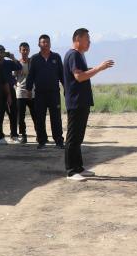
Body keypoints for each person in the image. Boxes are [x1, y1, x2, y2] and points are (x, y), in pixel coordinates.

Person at [62, 28, 114, 181]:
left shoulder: (79, 55)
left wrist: (96, 69)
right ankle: (71, 171)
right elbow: (79, 77)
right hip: (76, 101)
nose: (89, 42)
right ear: (78, 39)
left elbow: (81, 73)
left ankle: (78, 167)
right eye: (87, 39)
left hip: (82, 101)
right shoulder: (73, 55)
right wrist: (99, 68)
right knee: (73, 137)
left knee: (78, 137)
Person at [26, 35, 65, 150]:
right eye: (43, 42)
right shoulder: (34, 58)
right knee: (40, 118)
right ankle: (41, 141)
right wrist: (28, 90)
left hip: (54, 93)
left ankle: (59, 141)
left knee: (56, 118)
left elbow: (62, 74)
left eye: (47, 42)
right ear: (39, 44)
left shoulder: (56, 57)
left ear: (50, 43)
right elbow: (30, 75)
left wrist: (66, 88)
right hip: (40, 93)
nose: (46, 44)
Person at [13, 42, 33, 143]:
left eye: (26, 50)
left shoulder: (32, 62)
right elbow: (13, 76)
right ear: (20, 51)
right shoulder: (17, 63)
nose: (25, 52)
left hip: (32, 92)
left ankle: (40, 134)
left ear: (29, 51)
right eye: (23, 50)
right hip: (20, 92)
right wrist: (17, 85)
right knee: (21, 116)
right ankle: (23, 135)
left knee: (36, 115)